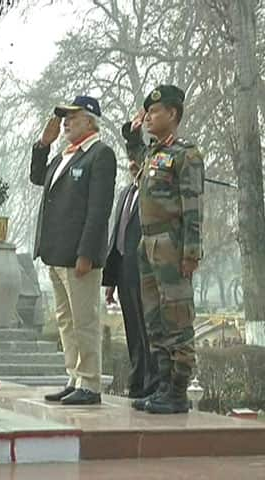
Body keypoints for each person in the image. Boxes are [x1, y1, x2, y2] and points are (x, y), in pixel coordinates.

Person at [122, 85, 204, 414]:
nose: (150, 117)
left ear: (173, 114)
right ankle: (162, 386)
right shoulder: (154, 154)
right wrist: (132, 135)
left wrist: (191, 253)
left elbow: (193, 208)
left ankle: (178, 391)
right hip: (147, 244)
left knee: (177, 319)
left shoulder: (186, 155)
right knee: (154, 319)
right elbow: (135, 157)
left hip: (171, 243)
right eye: (148, 113)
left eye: (155, 112)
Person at [30, 95, 116, 405]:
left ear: (91, 120)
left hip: (79, 255)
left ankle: (90, 383)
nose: (66, 122)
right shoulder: (63, 155)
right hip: (55, 253)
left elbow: (98, 210)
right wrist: (44, 144)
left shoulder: (100, 155)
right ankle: (75, 376)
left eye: (73, 117)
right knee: (66, 320)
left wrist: (88, 253)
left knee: (84, 319)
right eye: (64, 117)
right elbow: (37, 178)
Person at [102, 159, 159, 399]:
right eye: (131, 160)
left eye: (139, 160)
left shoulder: (152, 193)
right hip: (124, 271)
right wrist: (111, 280)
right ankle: (137, 382)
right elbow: (117, 235)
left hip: (146, 270)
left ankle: (153, 384)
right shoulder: (125, 193)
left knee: (149, 330)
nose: (134, 164)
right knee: (132, 330)